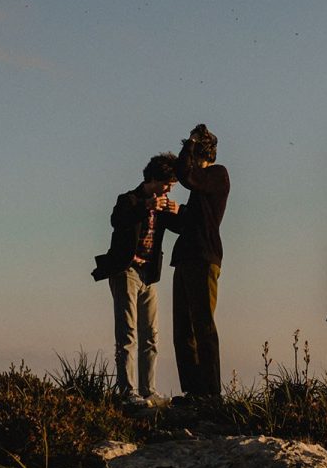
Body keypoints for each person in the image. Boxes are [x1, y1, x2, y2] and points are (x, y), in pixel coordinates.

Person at [91, 153, 179, 404]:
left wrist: (176, 211)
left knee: (151, 334)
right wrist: (145, 207)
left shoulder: (163, 204)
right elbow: (117, 220)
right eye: (168, 184)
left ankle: (148, 390)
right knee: (127, 333)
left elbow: (180, 226)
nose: (169, 189)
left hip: (148, 274)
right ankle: (127, 392)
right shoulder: (128, 199)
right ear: (154, 179)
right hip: (126, 271)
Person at [167, 124, 229, 400]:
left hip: (204, 258)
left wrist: (189, 144)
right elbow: (184, 224)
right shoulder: (200, 186)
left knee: (203, 326)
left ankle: (211, 393)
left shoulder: (217, 175)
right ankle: (193, 391)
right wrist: (170, 212)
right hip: (185, 258)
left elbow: (187, 176)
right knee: (182, 329)